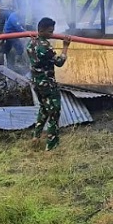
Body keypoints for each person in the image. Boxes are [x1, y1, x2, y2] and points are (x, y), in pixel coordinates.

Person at [26, 17, 70, 151]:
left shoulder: (31, 43)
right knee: (54, 113)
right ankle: (51, 146)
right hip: (48, 84)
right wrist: (65, 47)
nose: (52, 34)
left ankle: (36, 136)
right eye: (50, 32)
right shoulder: (45, 46)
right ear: (42, 30)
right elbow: (59, 62)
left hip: (36, 83)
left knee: (44, 108)